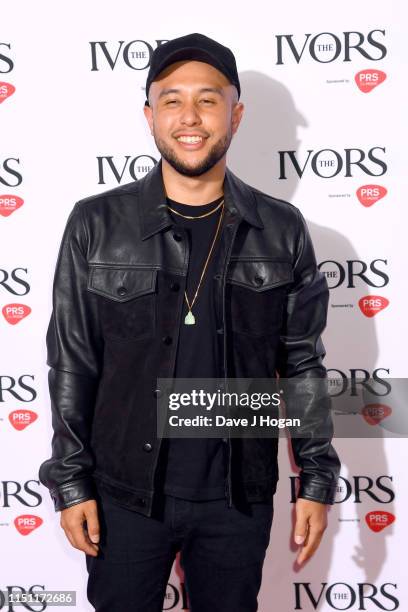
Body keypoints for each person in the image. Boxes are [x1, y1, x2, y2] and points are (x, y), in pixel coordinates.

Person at [39, 33, 341, 612]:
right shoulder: (95, 223)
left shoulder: (281, 228)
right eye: (172, 100)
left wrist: (317, 478)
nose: (190, 117)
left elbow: (302, 362)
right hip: (124, 496)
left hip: (238, 497)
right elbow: (72, 363)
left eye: (208, 99)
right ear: (150, 115)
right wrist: (71, 483)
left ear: (237, 113)